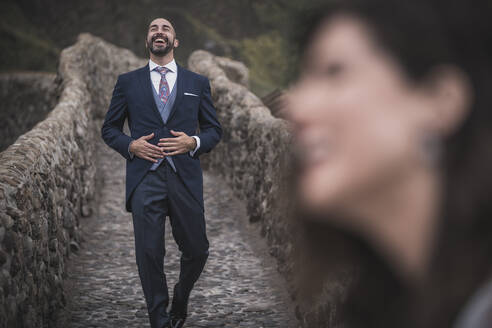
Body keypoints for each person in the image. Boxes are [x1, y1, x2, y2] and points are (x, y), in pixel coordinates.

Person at [286, 0, 492, 327]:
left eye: (334, 71)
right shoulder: (387, 302)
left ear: (440, 101)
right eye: (305, 78)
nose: (297, 107)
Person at [101, 17, 222, 328]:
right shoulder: (127, 82)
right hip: (145, 178)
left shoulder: (198, 83)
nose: (159, 32)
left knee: (197, 249)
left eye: (165, 28)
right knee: (149, 253)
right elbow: (109, 129)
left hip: (185, 178)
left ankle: (180, 299)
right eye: (153, 29)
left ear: (175, 41)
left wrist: (192, 141)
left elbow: (213, 131)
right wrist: (131, 146)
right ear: (147, 41)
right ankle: (159, 319)